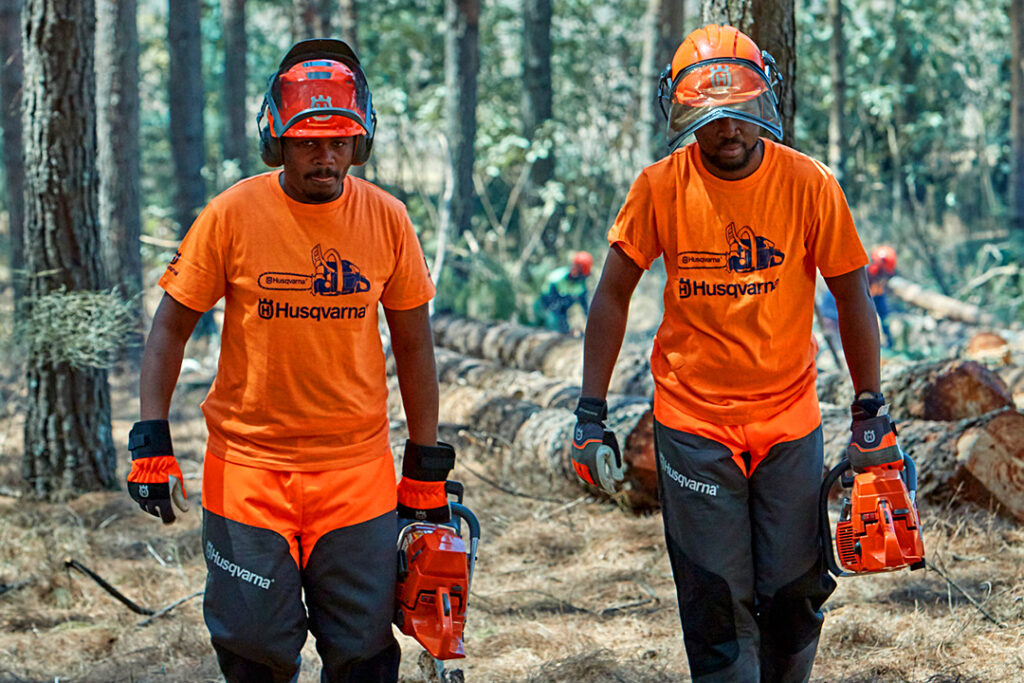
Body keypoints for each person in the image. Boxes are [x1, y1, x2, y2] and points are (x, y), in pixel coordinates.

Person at [570, 24, 904, 682]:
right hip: (693, 425)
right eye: (709, 115)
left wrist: (870, 407)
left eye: (741, 111)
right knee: (717, 607)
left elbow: (852, 293)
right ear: (683, 113)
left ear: (766, 104)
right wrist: (589, 411)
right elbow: (611, 296)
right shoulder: (658, 187)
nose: (728, 129)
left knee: (795, 596)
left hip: (790, 419)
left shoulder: (809, 183)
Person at [125, 39, 455, 683]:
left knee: (362, 650)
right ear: (276, 139)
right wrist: (150, 438)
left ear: (361, 141)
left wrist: (424, 462)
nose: (325, 158)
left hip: (356, 472)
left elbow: (414, 344)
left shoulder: (388, 219)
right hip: (247, 471)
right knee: (254, 646)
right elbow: (170, 327)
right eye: (308, 143)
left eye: (339, 142)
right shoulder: (231, 214)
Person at [534, 250, 593, 333]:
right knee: (554, 317)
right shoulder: (557, 277)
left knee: (563, 308)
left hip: (563, 301)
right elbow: (548, 300)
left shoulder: (581, 283)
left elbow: (585, 306)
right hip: (547, 301)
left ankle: (564, 332)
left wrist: (591, 325)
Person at [867, 245, 898, 348]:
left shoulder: (885, 271)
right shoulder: (869, 271)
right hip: (868, 297)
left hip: (878, 296)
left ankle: (889, 343)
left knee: (884, 317)